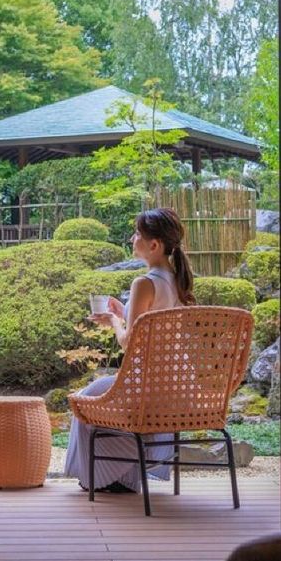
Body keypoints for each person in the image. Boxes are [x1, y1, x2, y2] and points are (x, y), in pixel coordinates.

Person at [64, 207, 195, 493]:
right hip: (173, 388)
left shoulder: (144, 282)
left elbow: (130, 344)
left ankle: (99, 477)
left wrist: (113, 320)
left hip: (145, 388)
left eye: (137, 234)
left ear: (154, 245)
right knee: (98, 391)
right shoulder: (177, 280)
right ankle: (122, 476)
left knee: (85, 398)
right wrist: (123, 310)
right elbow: (154, 327)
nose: (132, 238)